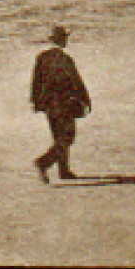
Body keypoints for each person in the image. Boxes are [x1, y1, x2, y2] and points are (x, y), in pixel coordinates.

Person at [30, 25, 91, 183]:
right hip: (64, 103)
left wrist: (36, 102)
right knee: (67, 137)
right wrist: (85, 100)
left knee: (58, 136)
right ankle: (43, 162)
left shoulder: (42, 57)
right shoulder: (65, 59)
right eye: (65, 38)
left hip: (49, 104)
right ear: (61, 40)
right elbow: (76, 81)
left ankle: (64, 171)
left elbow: (36, 81)